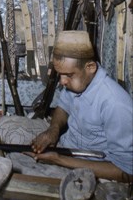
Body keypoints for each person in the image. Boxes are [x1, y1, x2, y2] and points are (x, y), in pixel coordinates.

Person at [29, 30, 133, 183]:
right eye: (60, 75)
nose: (62, 82)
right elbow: (63, 108)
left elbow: (127, 172)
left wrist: (59, 160)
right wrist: (53, 131)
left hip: (94, 170)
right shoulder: (79, 83)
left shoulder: (115, 104)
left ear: (90, 67)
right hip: (65, 148)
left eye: (68, 75)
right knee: (7, 127)